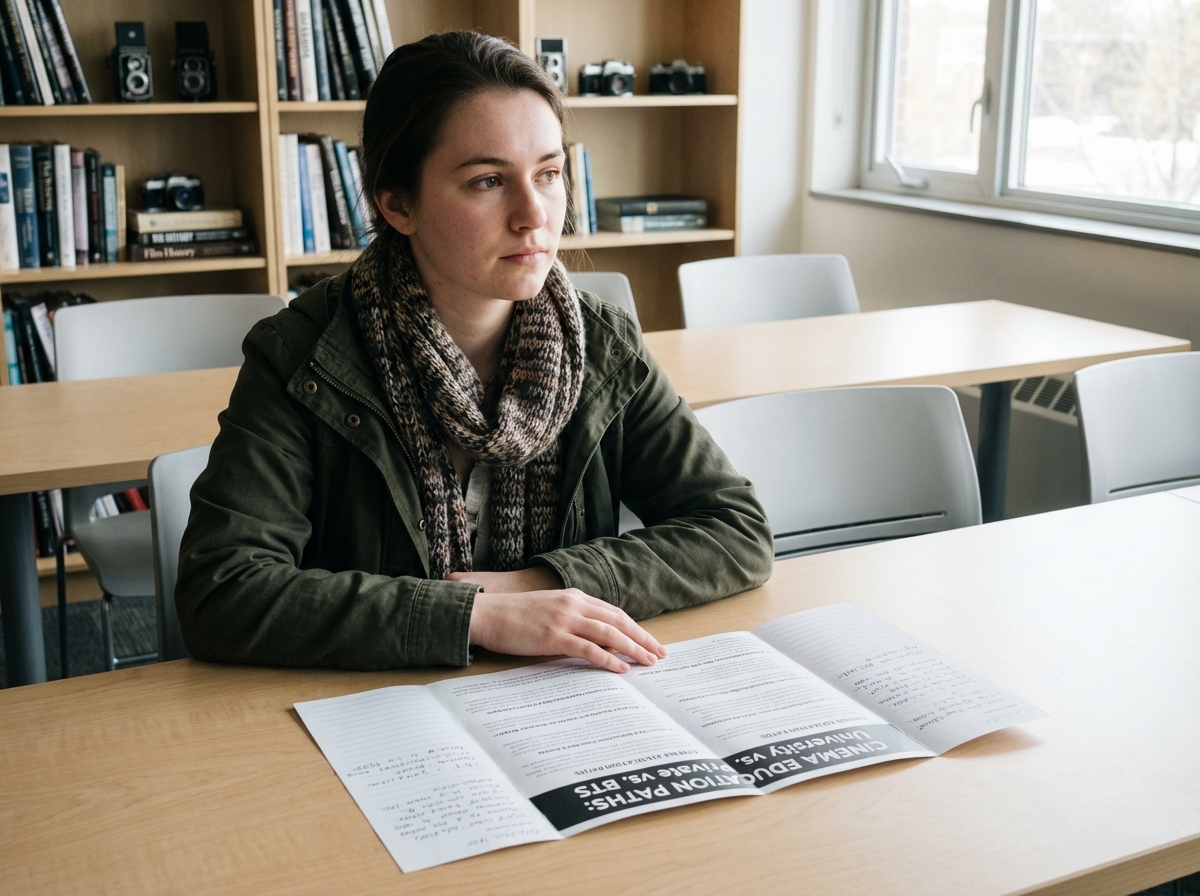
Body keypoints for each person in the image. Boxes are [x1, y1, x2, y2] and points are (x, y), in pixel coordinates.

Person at [175, 31, 773, 674]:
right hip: (364, 710)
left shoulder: (601, 346)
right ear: (398, 203)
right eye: (488, 181)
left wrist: (542, 583)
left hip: (562, 700)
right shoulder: (304, 357)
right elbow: (223, 590)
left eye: (548, 174)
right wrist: (475, 614)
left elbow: (734, 530)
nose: (533, 215)